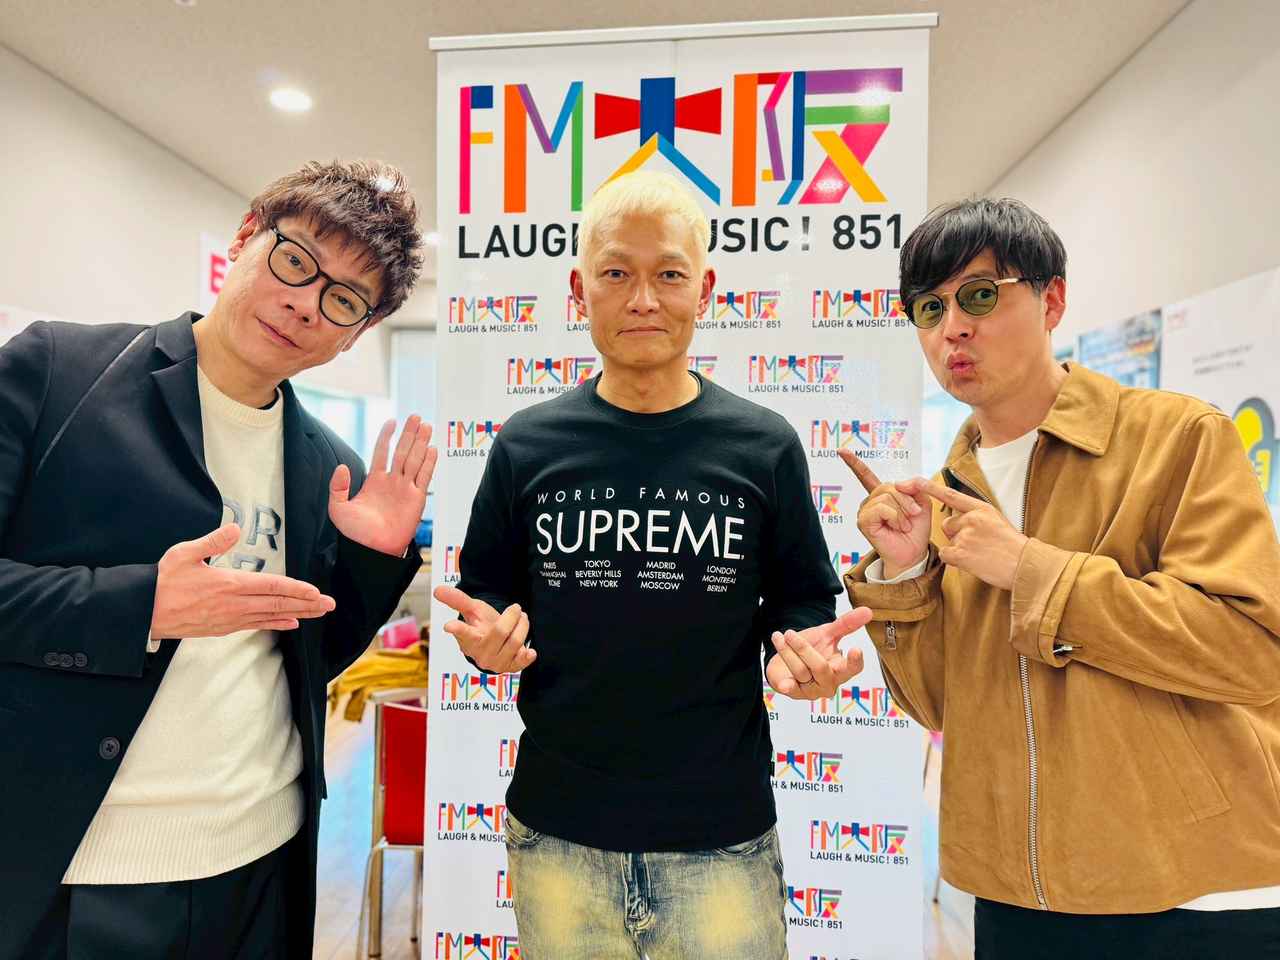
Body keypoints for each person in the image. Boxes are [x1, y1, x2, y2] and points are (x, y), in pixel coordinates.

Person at [0, 160, 436, 959]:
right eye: (296, 261)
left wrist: (373, 562)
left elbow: (307, 657)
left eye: (343, 301)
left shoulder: (330, 467)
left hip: (262, 860)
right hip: (81, 867)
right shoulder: (60, 372)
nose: (305, 304)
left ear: (355, 332)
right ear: (245, 237)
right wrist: (139, 607)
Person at [435, 170, 871, 960]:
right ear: (580, 290)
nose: (643, 299)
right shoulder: (526, 444)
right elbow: (486, 591)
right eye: (616, 273)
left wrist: (800, 655)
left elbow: (804, 599)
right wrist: (485, 641)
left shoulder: (764, 445)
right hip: (558, 831)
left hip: (722, 836)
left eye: (669, 274)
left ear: (705, 288)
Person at [841, 197, 1280, 959]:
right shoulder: (948, 494)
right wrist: (907, 573)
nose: (953, 328)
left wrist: (1032, 569)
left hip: (1199, 888)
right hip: (1018, 893)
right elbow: (943, 706)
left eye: (980, 295)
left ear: (1052, 301)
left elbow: (1249, 648)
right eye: (930, 308)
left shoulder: (1176, 437)